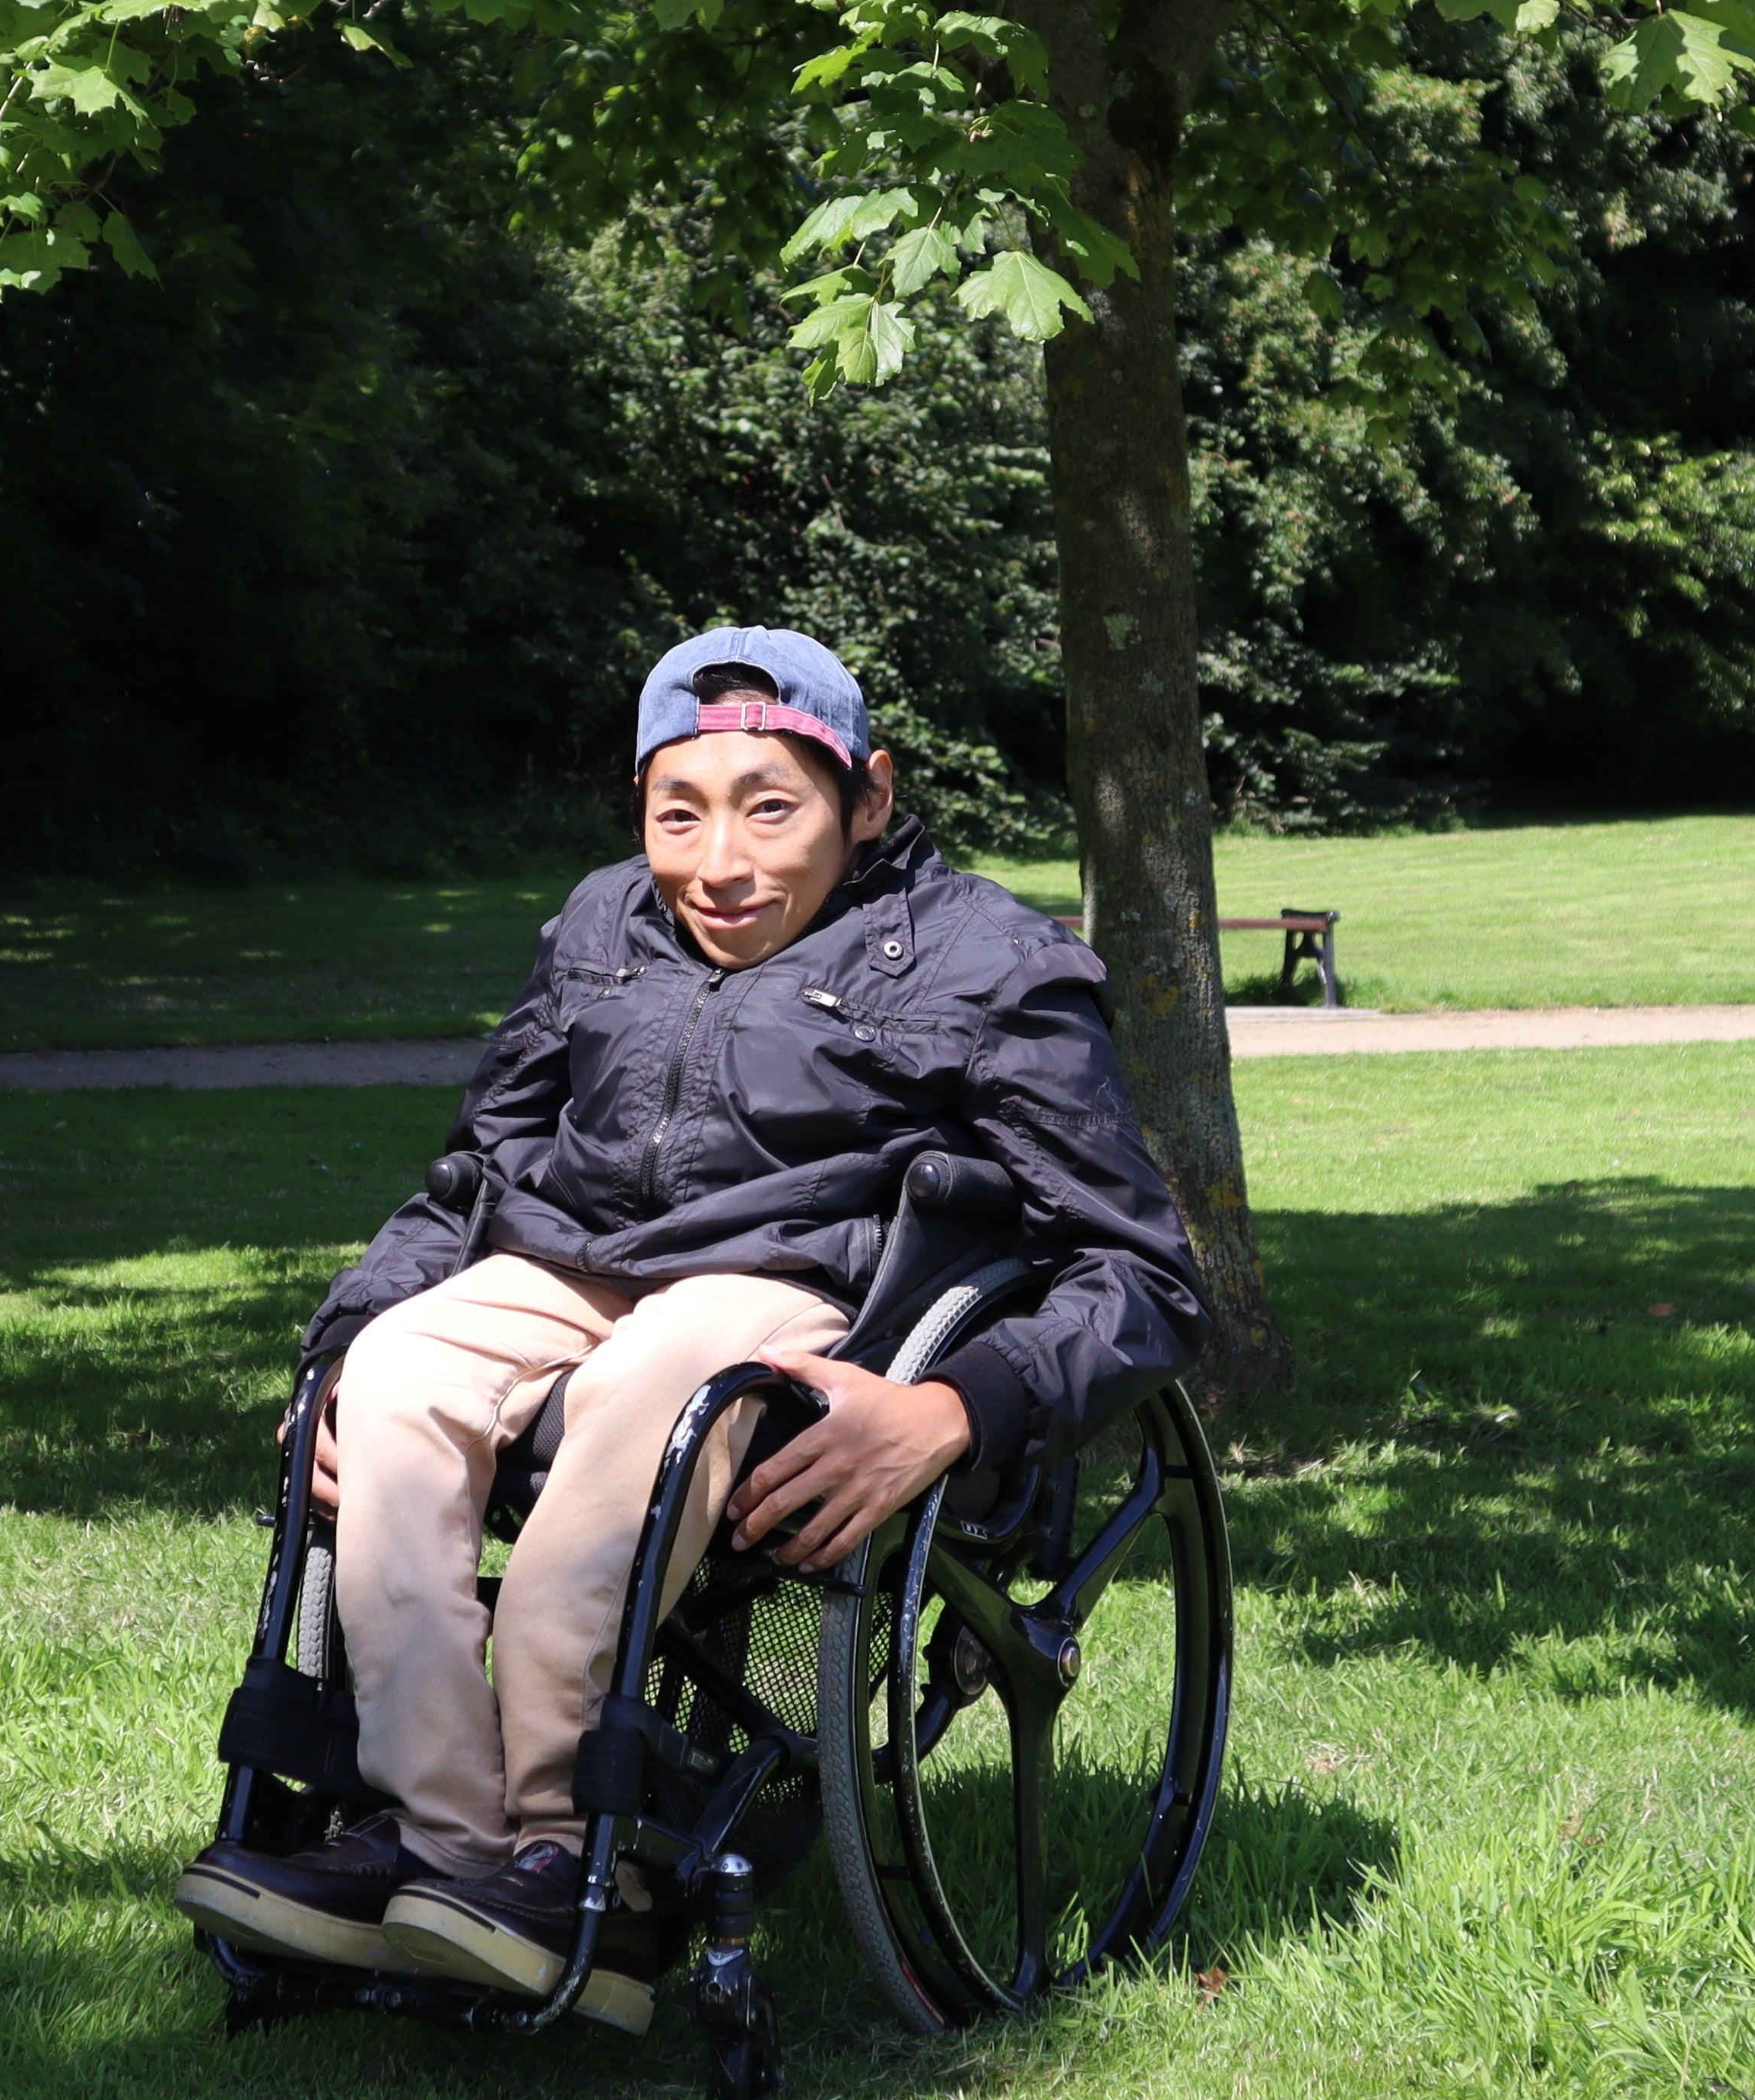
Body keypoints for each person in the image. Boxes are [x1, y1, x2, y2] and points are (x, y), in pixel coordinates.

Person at [173, 624, 1205, 2029]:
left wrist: (956, 1406)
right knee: (399, 1370)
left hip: (809, 1284)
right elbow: (477, 1170)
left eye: (770, 810)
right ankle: (443, 1845)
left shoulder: (991, 961)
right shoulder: (601, 925)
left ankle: (567, 1852)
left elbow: (1139, 1271)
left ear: (869, 799)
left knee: (663, 1375)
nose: (719, 863)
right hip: (575, 1263)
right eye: (680, 814)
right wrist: (340, 1346)